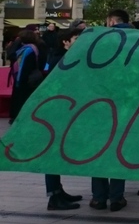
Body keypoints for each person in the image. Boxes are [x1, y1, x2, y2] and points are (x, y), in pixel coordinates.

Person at [92, 9, 132, 212]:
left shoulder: (99, 39)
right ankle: (116, 197)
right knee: (118, 150)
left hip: (99, 104)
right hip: (127, 105)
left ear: (110, 21)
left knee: (98, 151)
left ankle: (99, 198)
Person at [43, 28, 85, 210]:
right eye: (77, 38)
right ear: (65, 42)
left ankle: (58, 191)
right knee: (52, 154)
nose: (80, 41)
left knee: (57, 153)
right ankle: (53, 196)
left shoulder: (69, 58)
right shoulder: (58, 61)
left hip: (65, 112)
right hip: (56, 113)